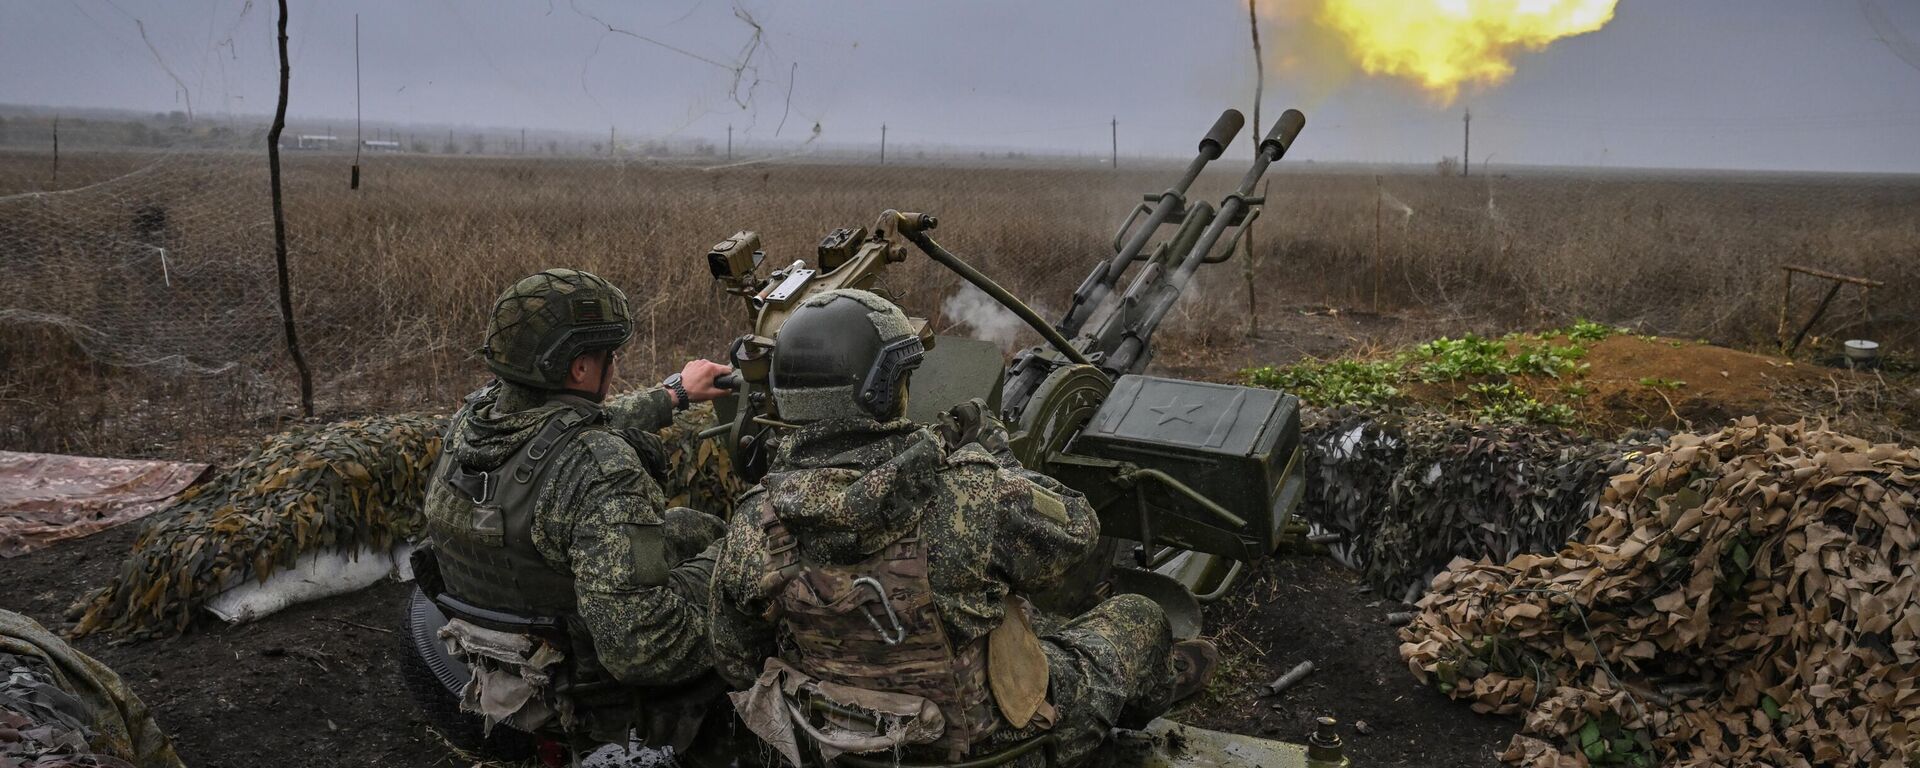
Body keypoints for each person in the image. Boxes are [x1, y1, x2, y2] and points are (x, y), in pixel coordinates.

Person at [708, 288, 1218, 768]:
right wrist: (996, 460)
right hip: (992, 751)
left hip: (839, 748)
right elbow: (1079, 532)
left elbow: (737, 659)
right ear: (883, 389)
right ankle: (1137, 718)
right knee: (1139, 617)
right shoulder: (970, 494)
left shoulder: (756, 517)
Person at [418, 268, 734, 748]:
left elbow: (561, 426)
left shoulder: (472, 422)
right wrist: (744, 582)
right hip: (583, 681)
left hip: (503, 637)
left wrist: (674, 395)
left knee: (690, 527)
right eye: (609, 357)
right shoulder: (599, 470)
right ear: (580, 369)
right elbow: (643, 649)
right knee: (734, 549)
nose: (615, 366)